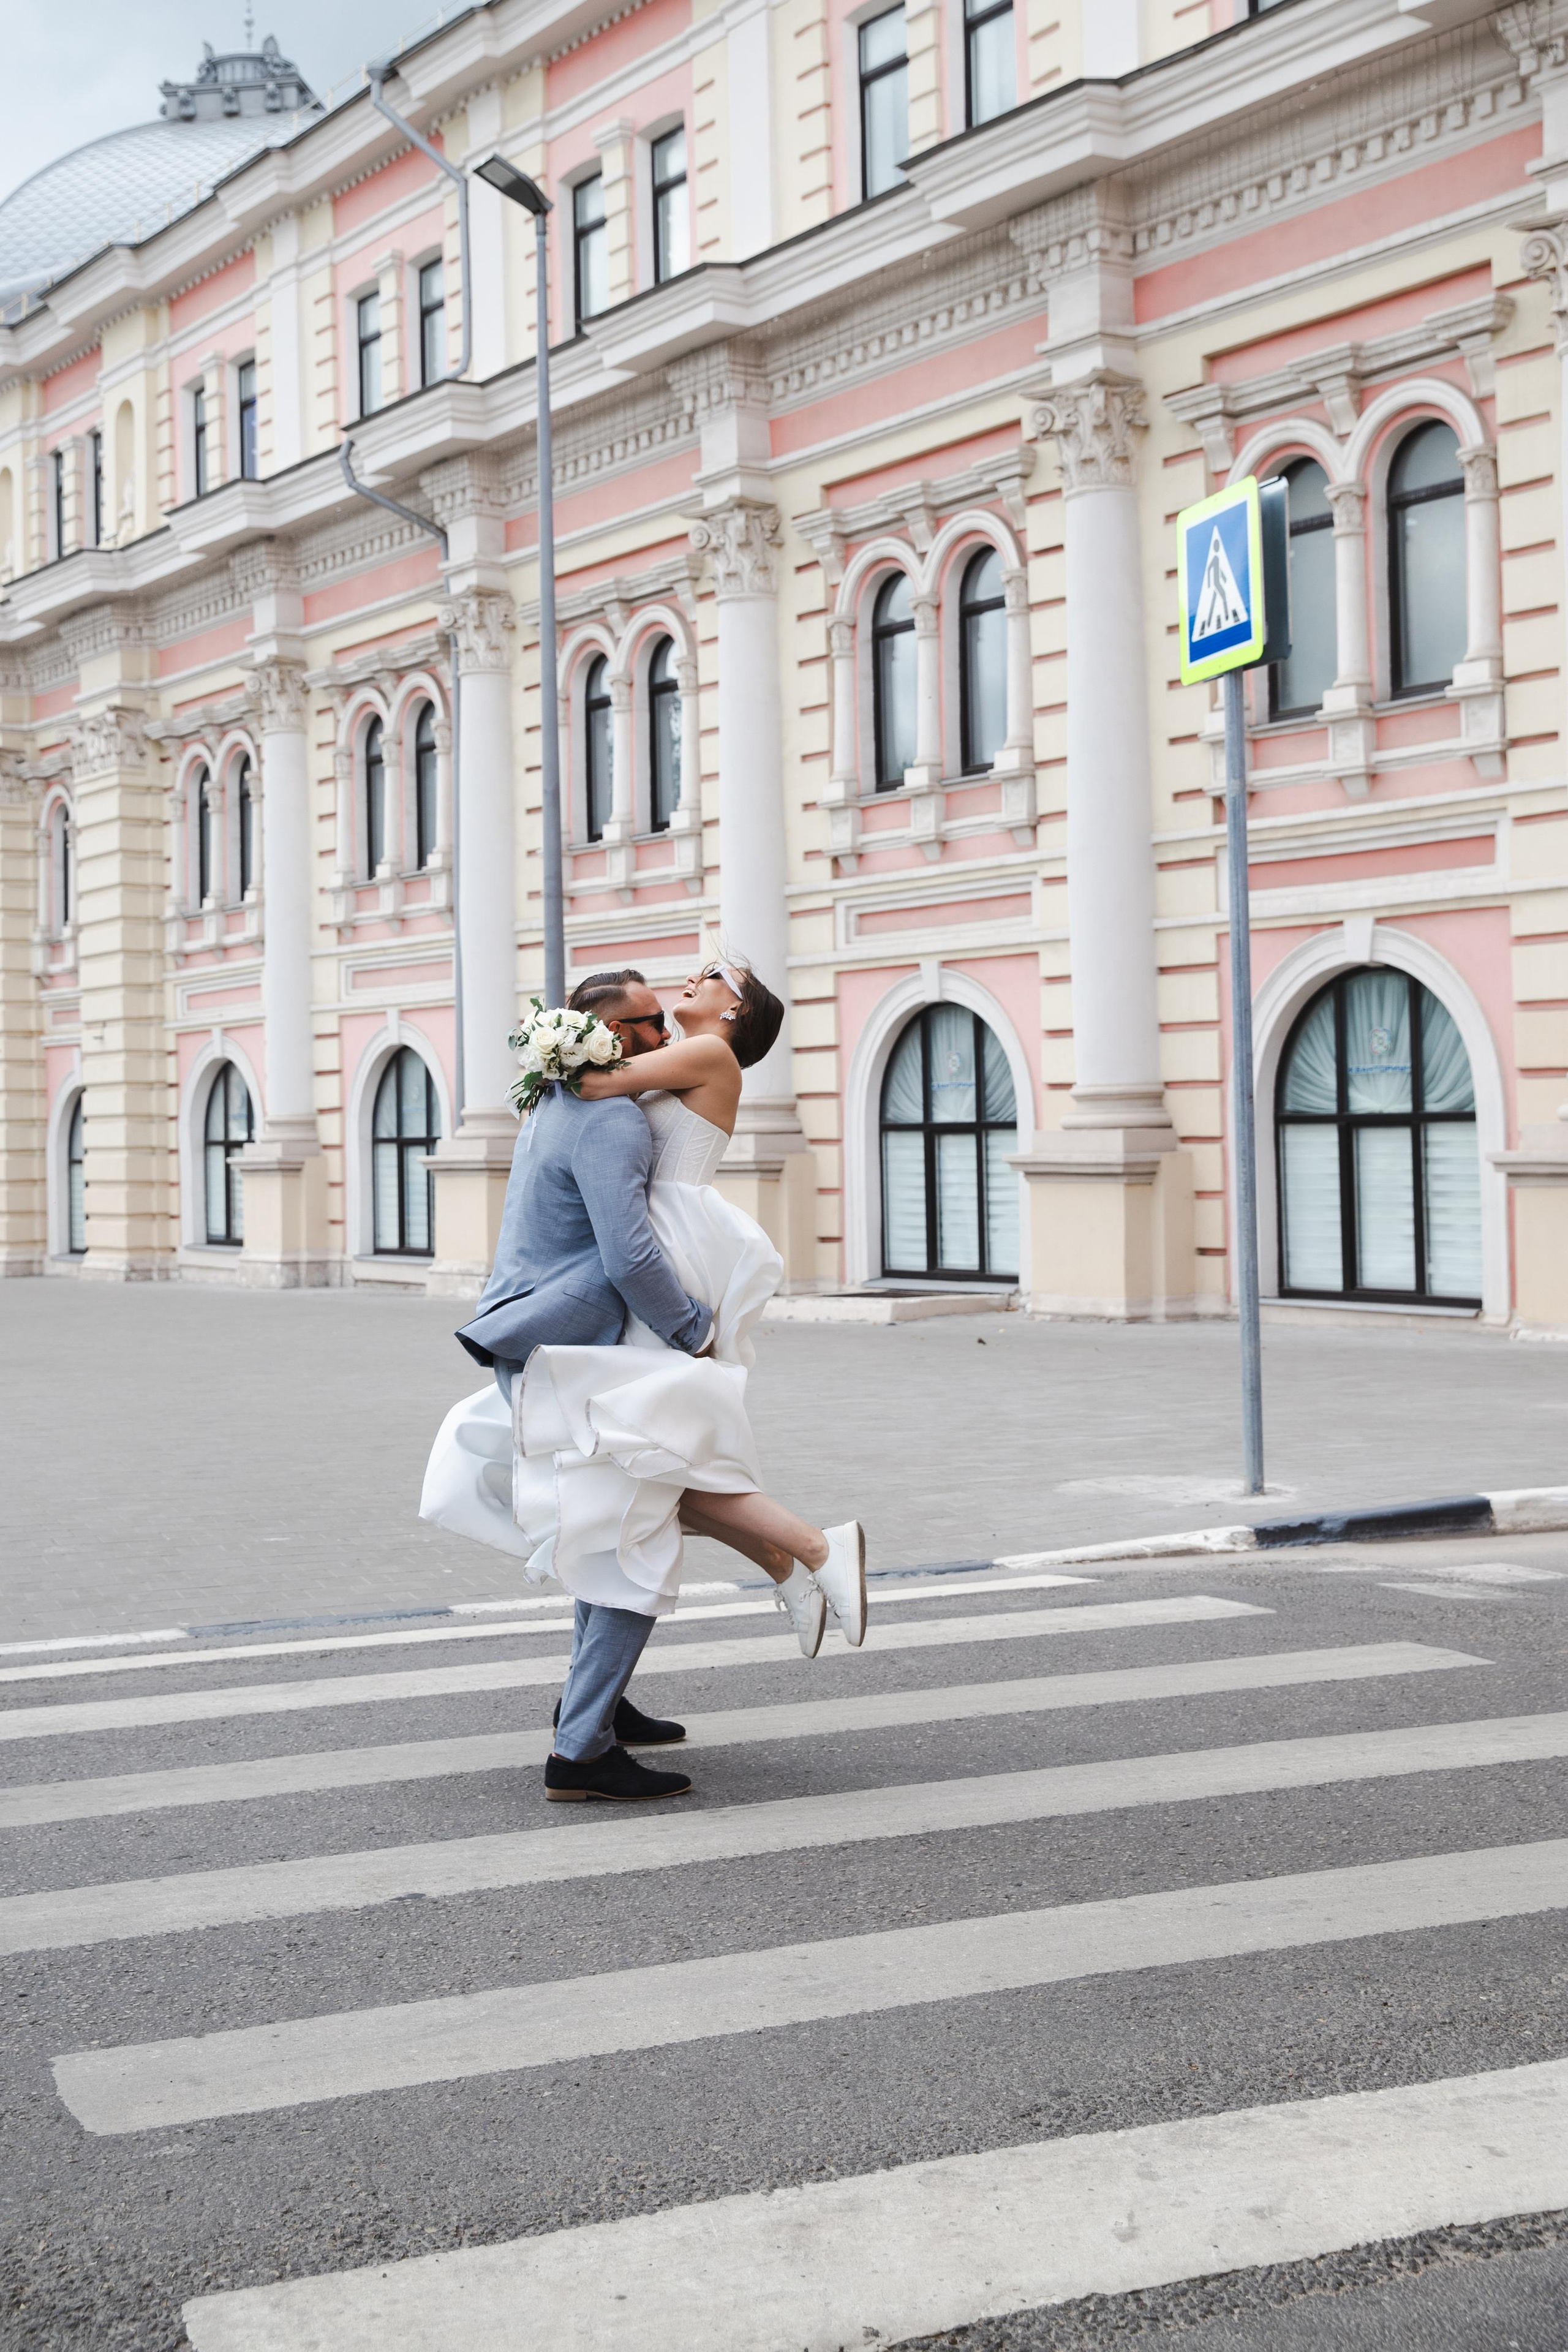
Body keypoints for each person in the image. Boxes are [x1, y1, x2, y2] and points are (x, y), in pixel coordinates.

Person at [420, 963, 866, 1806]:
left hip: (656, 1268)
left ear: (732, 1011)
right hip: (639, 1280)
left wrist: (568, 1050)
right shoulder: (630, 1095)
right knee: (641, 1487)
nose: (682, 995)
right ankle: (798, 1559)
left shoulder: (693, 1064)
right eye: (655, 1014)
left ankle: (608, 1705)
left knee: (641, 1481)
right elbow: (605, 1103)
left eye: (703, 983)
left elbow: (602, 1078)